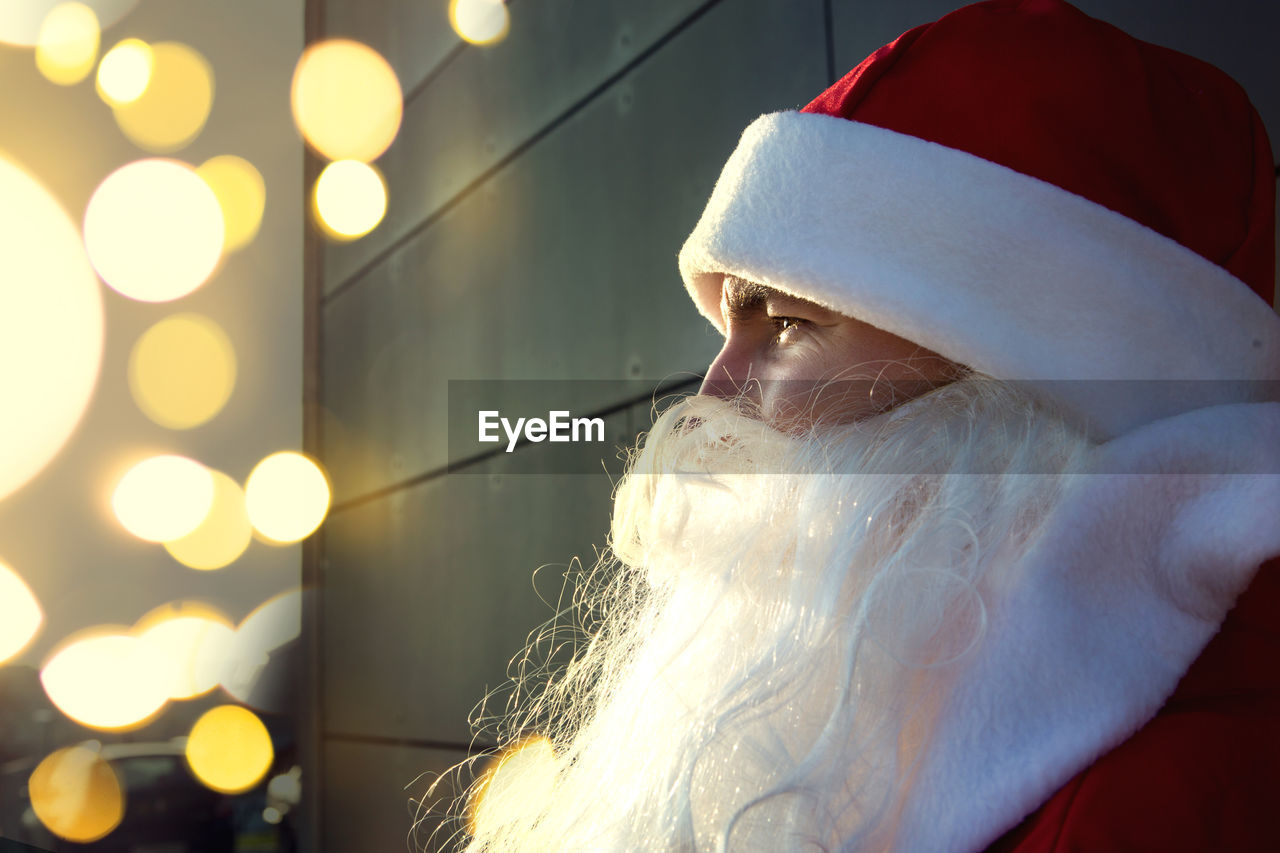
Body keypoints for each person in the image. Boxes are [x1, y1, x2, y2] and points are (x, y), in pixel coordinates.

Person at [452, 1, 1280, 850]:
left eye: (784, 324)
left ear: (1009, 367)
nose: (716, 390)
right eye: (728, 330)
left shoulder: (1165, 801)